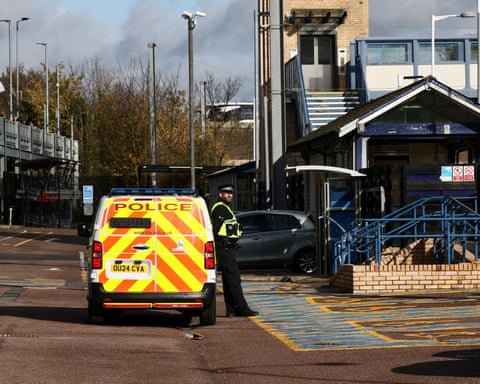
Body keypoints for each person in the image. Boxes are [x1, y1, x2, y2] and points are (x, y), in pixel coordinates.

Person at [210, 184, 258, 317]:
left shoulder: (225, 208)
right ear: (220, 194)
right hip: (224, 248)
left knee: (228, 280)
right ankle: (242, 309)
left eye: (231, 193)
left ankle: (231, 310)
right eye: (226, 193)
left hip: (226, 248)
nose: (230, 195)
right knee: (234, 280)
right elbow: (216, 230)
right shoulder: (220, 208)